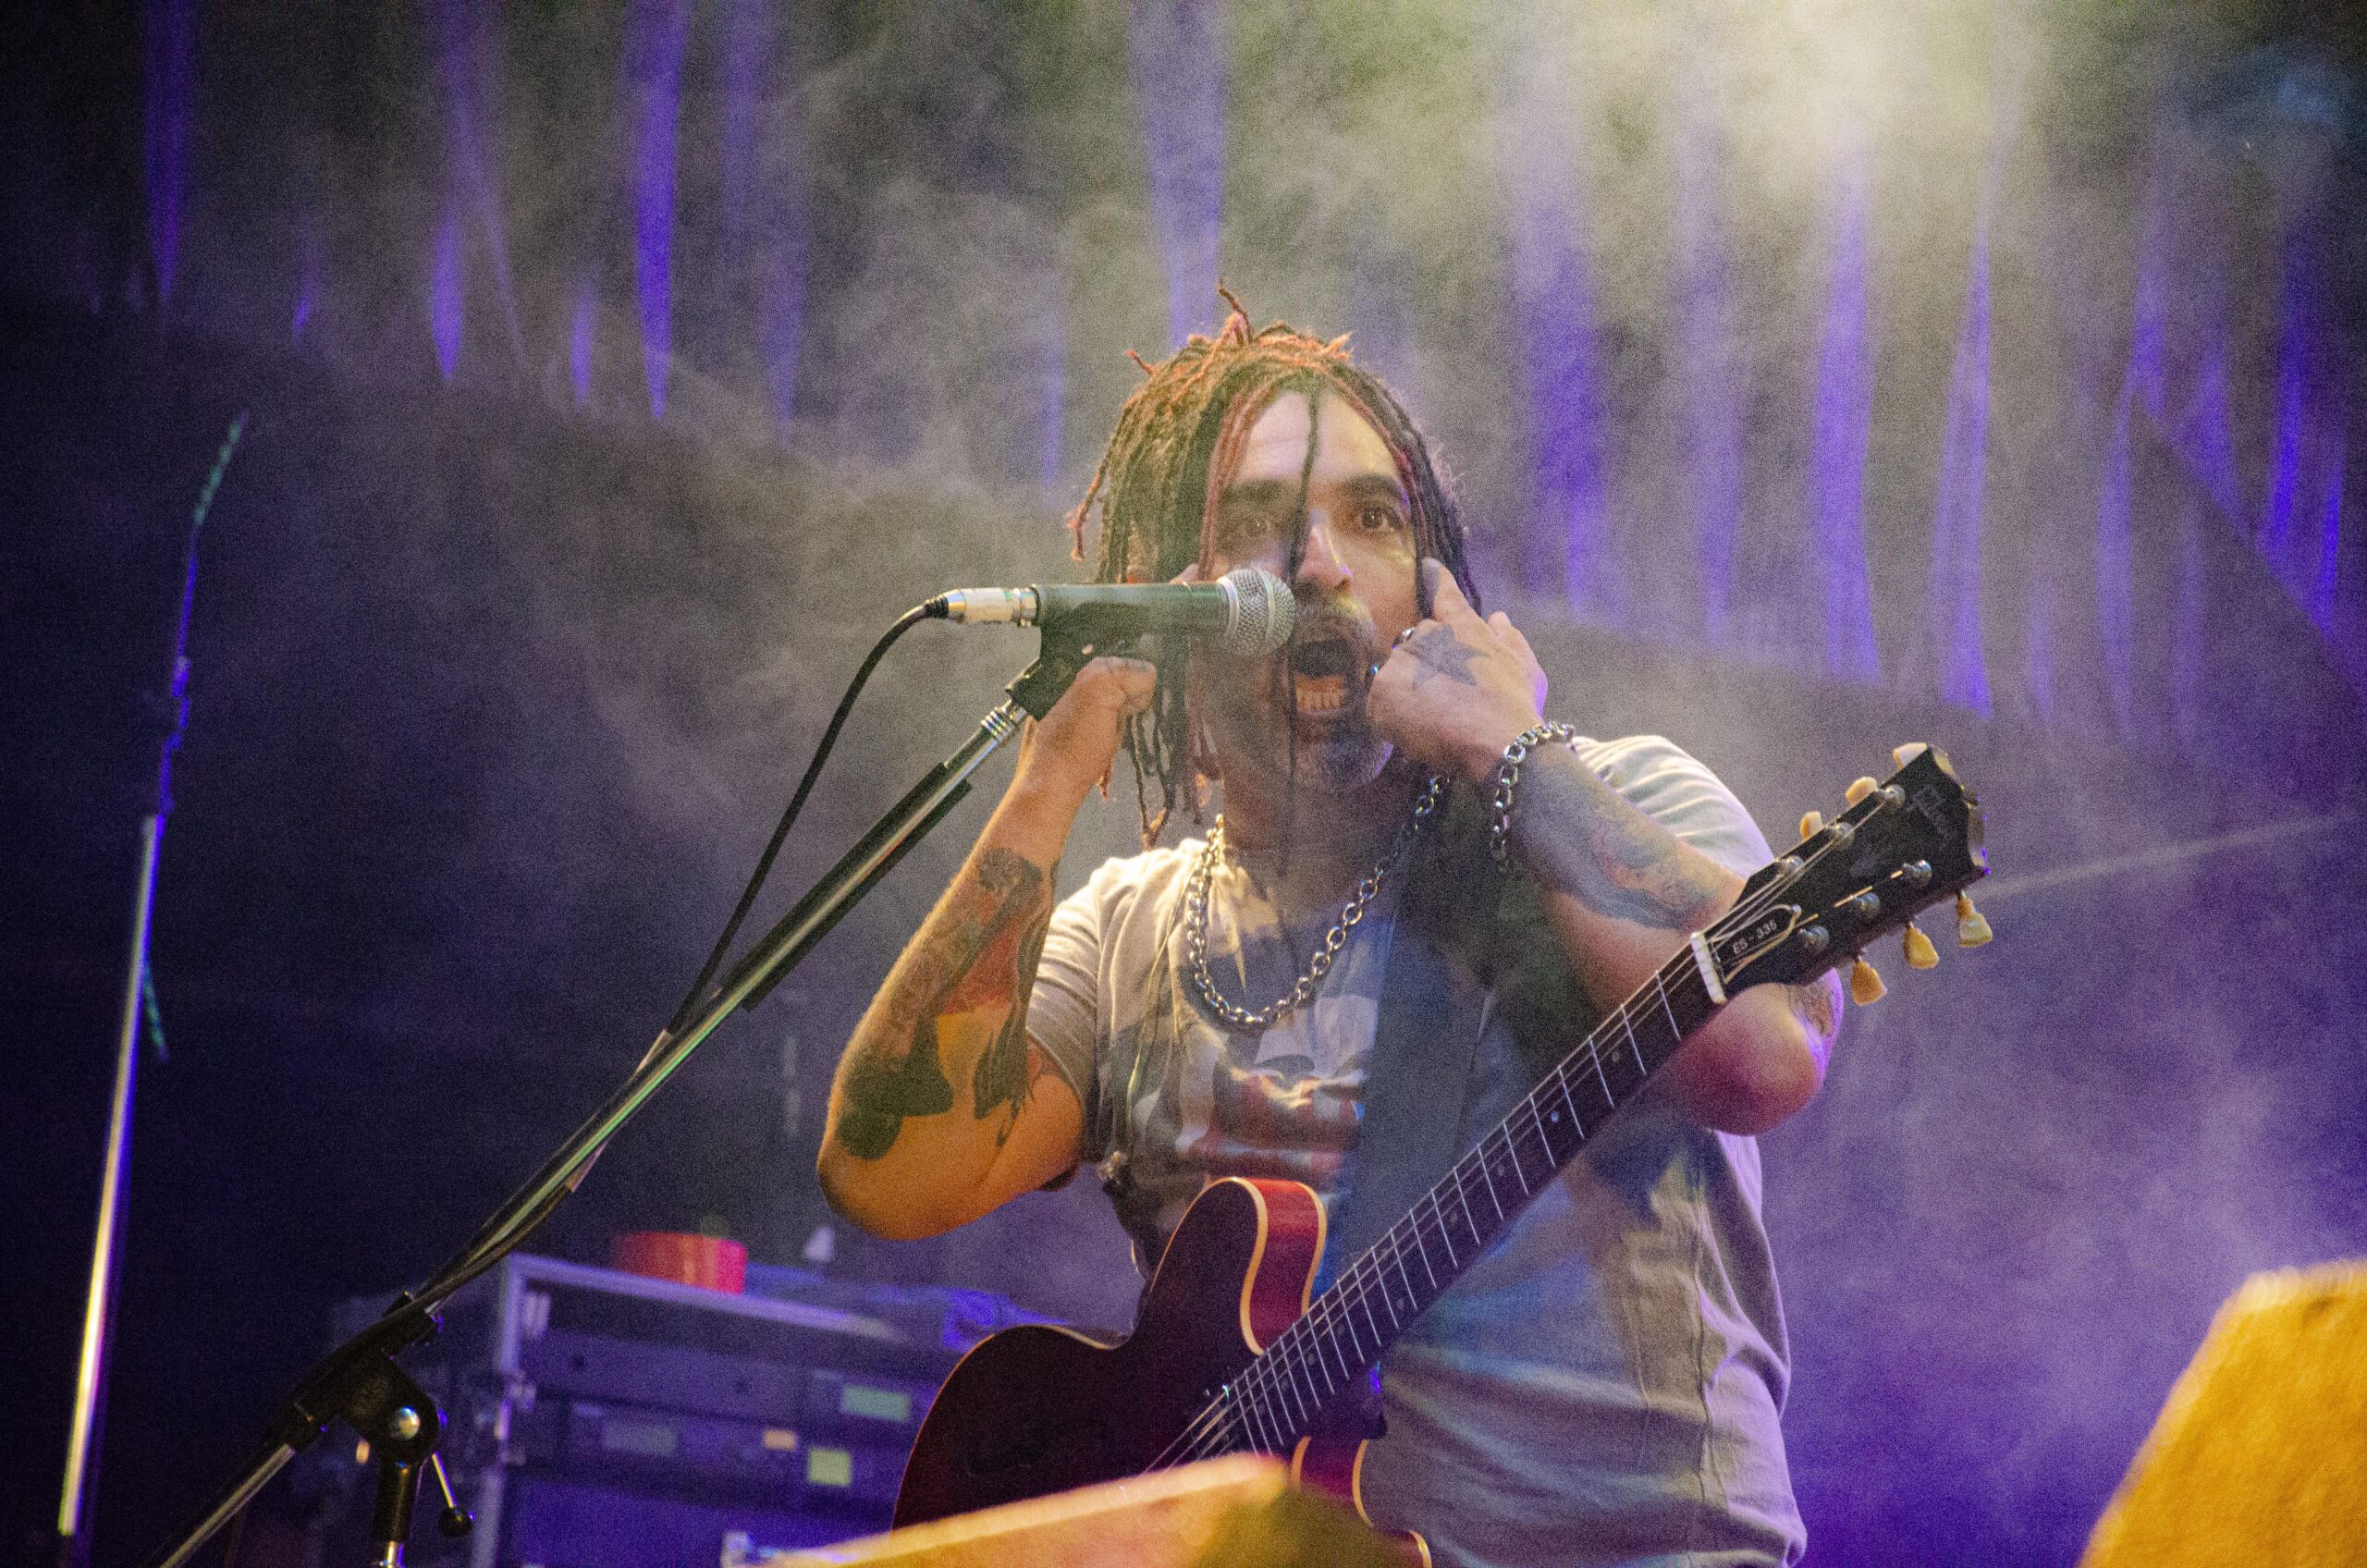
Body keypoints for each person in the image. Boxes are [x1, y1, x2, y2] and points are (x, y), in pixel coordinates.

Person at [816, 302, 1840, 1568]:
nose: (1317, 564)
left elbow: (1765, 1056)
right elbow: (888, 1174)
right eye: (1256, 522)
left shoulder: (1615, 803)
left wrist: (1509, 749)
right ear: (1169, 603)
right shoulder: (1128, 933)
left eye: (1372, 518)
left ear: (1435, 588)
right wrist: (1049, 776)